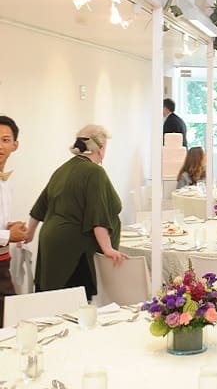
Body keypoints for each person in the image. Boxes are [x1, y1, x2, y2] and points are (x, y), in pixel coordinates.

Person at [26, 124, 127, 300]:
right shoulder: (95, 172)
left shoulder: (62, 169)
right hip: (73, 246)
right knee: (74, 302)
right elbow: (98, 216)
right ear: (100, 148)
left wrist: (29, 233)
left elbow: (39, 207)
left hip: (49, 240)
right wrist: (107, 248)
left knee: (50, 300)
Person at [0, 115, 27, 325]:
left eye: (5, 140)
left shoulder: (5, 182)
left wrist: (8, 226)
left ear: (15, 145)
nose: (0, 145)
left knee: (8, 320)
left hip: (3, 261)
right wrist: (9, 235)